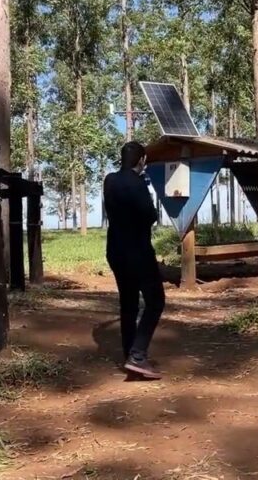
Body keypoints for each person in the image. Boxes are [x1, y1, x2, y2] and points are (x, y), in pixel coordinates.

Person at [103, 141, 166, 380]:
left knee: (128, 303)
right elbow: (150, 215)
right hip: (138, 251)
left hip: (115, 251)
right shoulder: (138, 182)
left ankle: (129, 355)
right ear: (142, 160)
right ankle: (138, 356)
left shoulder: (109, 180)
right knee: (155, 301)